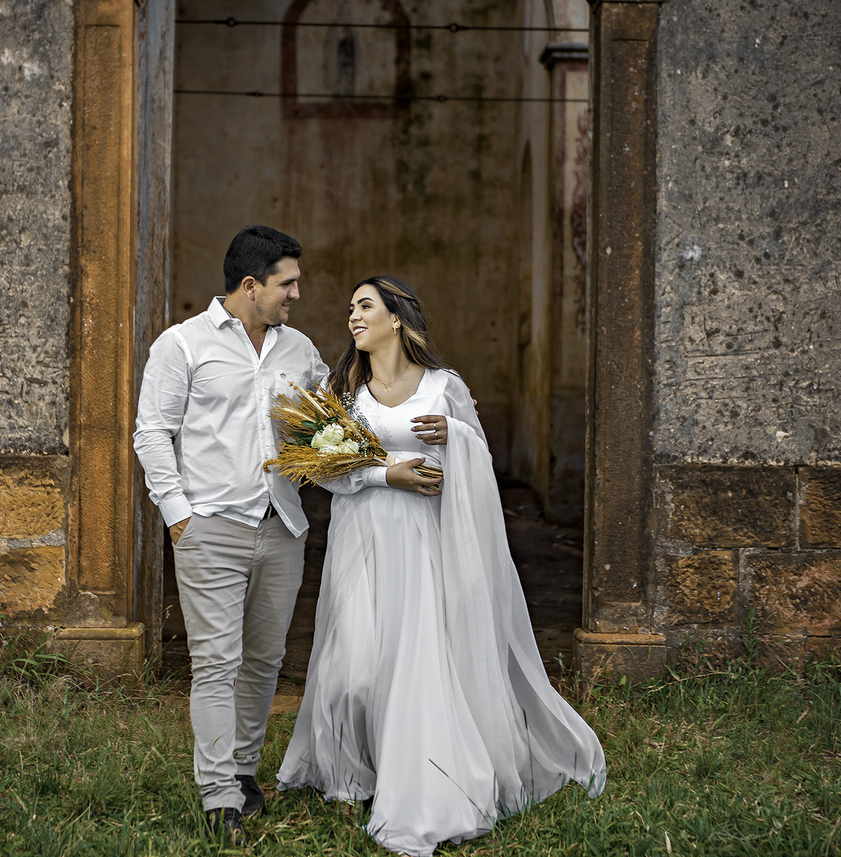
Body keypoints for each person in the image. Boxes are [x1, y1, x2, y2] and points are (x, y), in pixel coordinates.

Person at [277, 276, 607, 857]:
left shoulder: (444, 387)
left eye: (365, 306)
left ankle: (417, 780)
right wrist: (387, 475)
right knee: (353, 666)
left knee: (413, 662)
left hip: (421, 543)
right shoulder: (342, 390)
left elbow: (478, 469)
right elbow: (326, 471)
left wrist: (455, 435)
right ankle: (353, 769)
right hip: (361, 541)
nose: (353, 316)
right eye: (350, 308)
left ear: (397, 318)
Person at [133, 225, 371, 845]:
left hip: (282, 527)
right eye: (287, 283)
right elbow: (152, 433)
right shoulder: (182, 345)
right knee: (216, 663)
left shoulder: (300, 350)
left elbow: (333, 418)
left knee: (264, 661)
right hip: (210, 527)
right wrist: (178, 515)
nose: (297, 294)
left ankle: (242, 771)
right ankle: (218, 796)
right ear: (250, 285)